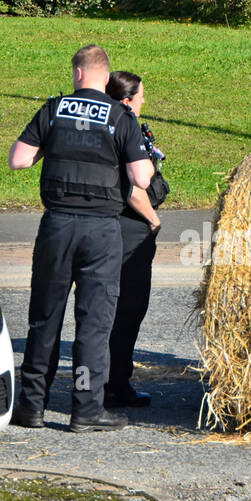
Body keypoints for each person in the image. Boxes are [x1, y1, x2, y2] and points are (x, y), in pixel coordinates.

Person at [7, 44, 155, 433]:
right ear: (105, 78)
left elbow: (19, 159)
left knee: (45, 316)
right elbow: (142, 178)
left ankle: (32, 406)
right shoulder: (121, 117)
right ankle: (85, 410)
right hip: (102, 232)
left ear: (76, 74)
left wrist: (49, 150)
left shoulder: (54, 110)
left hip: (57, 226)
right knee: (93, 322)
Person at [104, 71, 167, 408]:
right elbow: (130, 187)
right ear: (127, 101)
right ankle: (115, 384)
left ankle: (109, 380)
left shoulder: (107, 124)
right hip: (129, 228)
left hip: (111, 228)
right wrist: (153, 218)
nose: (144, 102)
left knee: (110, 309)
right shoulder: (124, 127)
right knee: (127, 309)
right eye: (141, 96)